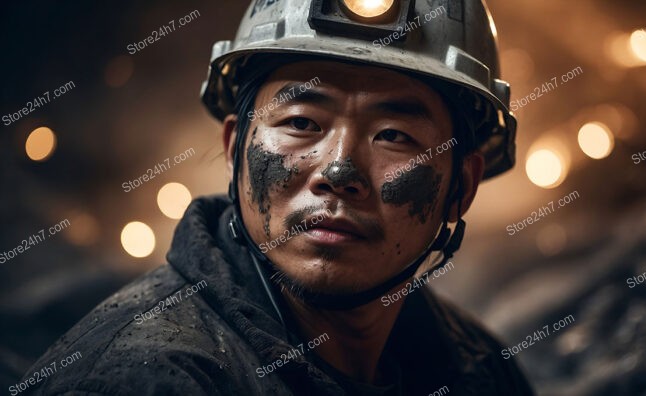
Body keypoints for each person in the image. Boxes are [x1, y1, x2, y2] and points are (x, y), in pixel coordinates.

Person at [23, 0, 532, 394]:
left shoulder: (479, 371)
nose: (339, 172)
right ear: (234, 149)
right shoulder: (143, 379)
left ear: (460, 188)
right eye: (301, 123)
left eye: (395, 135)